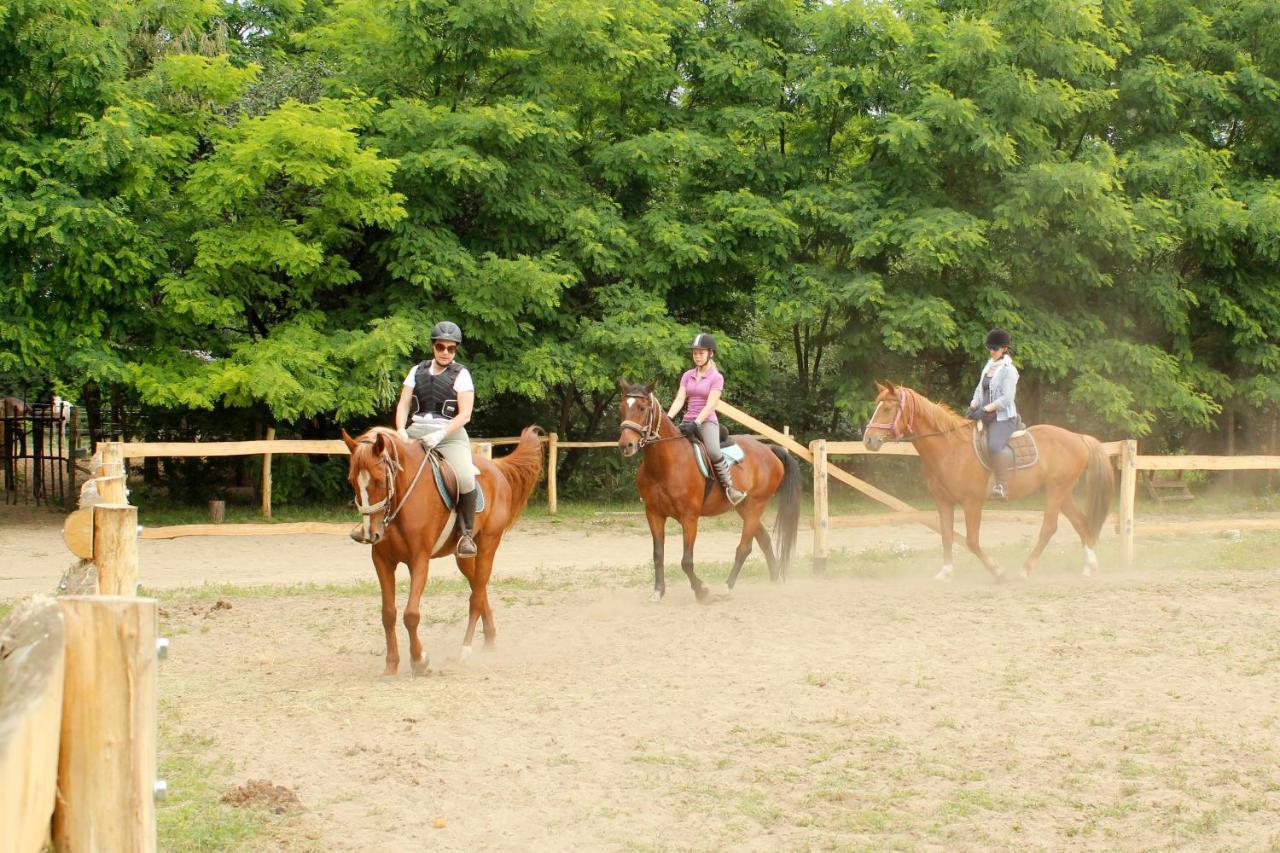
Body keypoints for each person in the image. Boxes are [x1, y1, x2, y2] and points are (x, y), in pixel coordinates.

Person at [394, 321, 478, 557]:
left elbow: (465, 414)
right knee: (384, 463)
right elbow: (404, 403)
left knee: (464, 476)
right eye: (440, 347)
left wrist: (440, 434)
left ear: (456, 350)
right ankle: (376, 521)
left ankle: (466, 535)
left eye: (451, 349)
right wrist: (400, 429)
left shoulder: (461, 375)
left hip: (449, 435)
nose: (445, 352)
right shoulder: (416, 371)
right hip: (416, 431)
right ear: (433, 346)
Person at [666, 333, 747, 506]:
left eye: (700, 353)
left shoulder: (716, 377)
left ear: (711, 353)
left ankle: (730, 487)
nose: (697, 356)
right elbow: (680, 399)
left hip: (706, 422)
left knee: (713, 451)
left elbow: (711, 405)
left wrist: (697, 423)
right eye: (694, 353)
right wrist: (668, 417)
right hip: (687, 420)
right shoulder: (687, 375)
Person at [965, 328, 1019, 500]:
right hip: (984, 414)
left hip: (1002, 417)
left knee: (994, 446)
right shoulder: (989, 366)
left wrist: (985, 409)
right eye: (989, 348)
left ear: (1004, 348)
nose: (991, 351)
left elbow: (1007, 398)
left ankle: (1001, 485)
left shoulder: (1008, 370)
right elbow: (979, 390)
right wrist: (973, 406)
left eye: (994, 348)